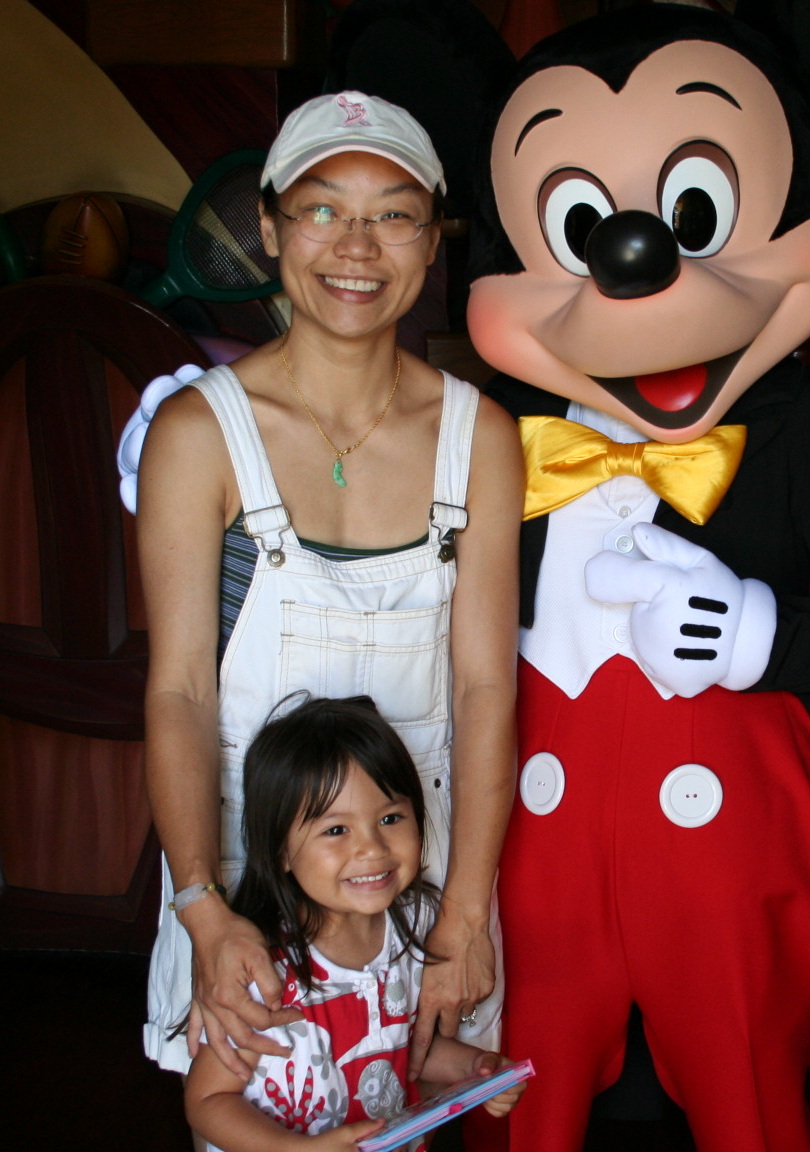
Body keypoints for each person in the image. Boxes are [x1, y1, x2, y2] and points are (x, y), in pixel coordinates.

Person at [130, 89, 523, 1089]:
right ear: (269, 228)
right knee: (260, 1106)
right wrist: (202, 908)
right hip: (247, 873)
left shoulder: (479, 437)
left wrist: (466, 912)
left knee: (401, 1098)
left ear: (431, 242)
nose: (357, 246)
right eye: (321, 210)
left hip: (418, 878)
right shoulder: (198, 434)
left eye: (394, 214)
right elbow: (179, 688)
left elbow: (485, 687)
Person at [186, 695, 527, 1151]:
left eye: (390, 818)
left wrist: (475, 1069)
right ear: (281, 849)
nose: (372, 848)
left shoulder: (413, 926)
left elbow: (404, 1049)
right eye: (336, 830)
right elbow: (208, 1099)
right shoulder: (264, 971)